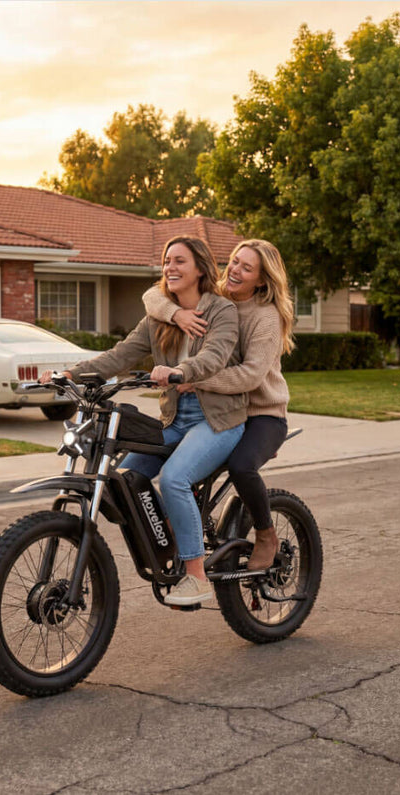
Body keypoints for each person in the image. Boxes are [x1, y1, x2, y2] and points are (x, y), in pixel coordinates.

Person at [39, 236, 247, 606]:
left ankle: (197, 576)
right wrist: (70, 374)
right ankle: (172, 529)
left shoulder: (221, 311)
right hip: (174, 420)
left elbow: (215, 357)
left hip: (217, 421)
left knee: (174, 478)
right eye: (167, 261)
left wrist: (180, 371)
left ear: (200, 268)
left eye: (179, 261)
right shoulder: (159, 318)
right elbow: (119, 356)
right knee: (126, 479)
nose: (170, 267)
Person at [143, 238, 294, 571]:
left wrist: (194, 380)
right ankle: (182, 526)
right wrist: (177, 314)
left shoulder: (266, 317)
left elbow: (250, 376)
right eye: (235, 261)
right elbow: (152, 296)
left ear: (262, 280)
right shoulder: (217, 298)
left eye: (247, 268)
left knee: (241, 466)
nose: (235, 271)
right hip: (219, 407)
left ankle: (266, 533)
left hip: (262, 414)